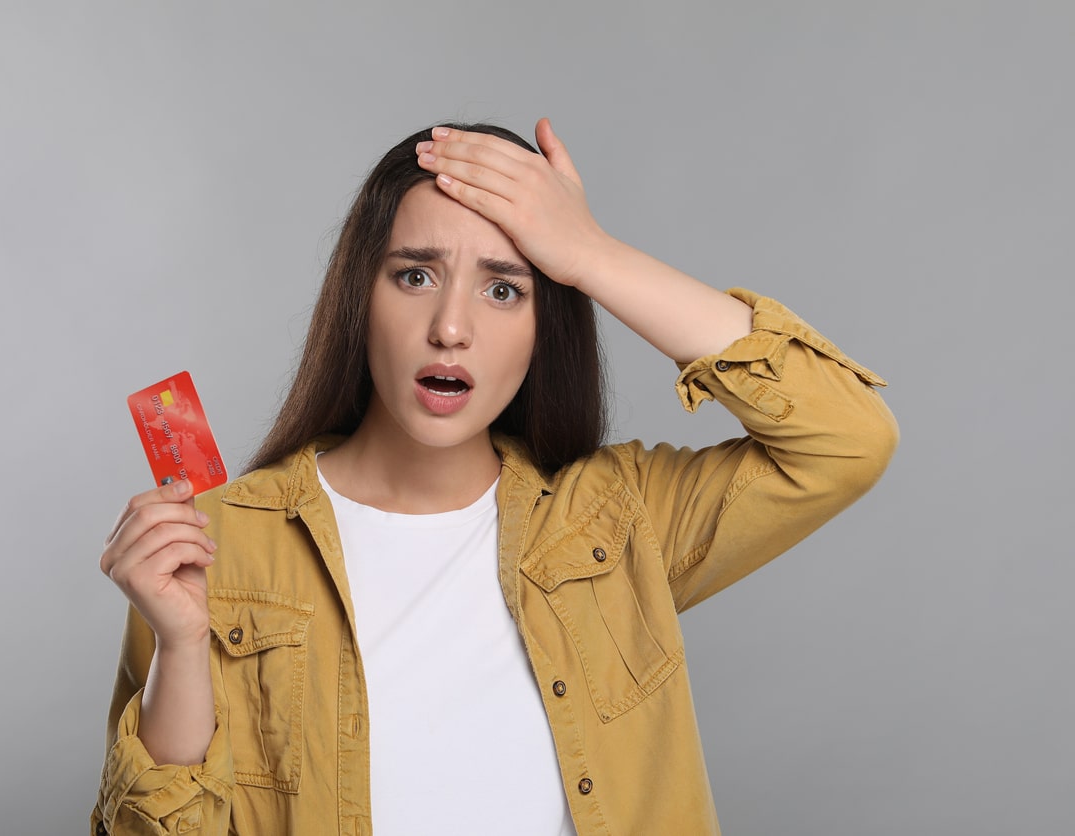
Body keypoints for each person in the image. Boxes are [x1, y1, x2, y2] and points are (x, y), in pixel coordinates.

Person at [92, 120, 898, 835]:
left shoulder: (616, 519)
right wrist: (183, 646)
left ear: (545, 327)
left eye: (505, 289)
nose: (451, 327)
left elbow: (849, 437)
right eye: (415, 275)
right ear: (360, 299)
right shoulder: (221, 544)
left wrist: (591, 254)